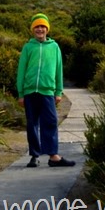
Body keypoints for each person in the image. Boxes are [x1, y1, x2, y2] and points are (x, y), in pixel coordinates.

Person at [17, 13, 76, 168]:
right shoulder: (28, 47)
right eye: (37, 26)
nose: (40, 29)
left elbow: (58, 70)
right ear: (32, 29)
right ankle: (34, 156)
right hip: (30, 93)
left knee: (50, 122)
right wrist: (21, 94)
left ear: (47, 29)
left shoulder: (54, 47)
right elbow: (21, 71)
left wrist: (58, 91)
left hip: (47, 92)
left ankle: (53, 156)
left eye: (43, 26)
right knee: (32, 124)